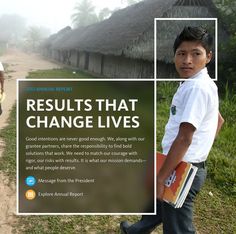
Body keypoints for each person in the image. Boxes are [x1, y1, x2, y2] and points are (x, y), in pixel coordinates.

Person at [120, 26, 224, 234]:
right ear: (175, 56)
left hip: (183, 167)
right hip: (177, 161)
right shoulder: (198, 82)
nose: (187, 60)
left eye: (196, 54)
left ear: (208, 57)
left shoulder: (197, 87)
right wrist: (200, 150)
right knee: (156, 202)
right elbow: (219, 120)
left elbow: (185, 138)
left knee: (177, 227)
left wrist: (164, 175)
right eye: (182, 53)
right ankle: (136, 230)